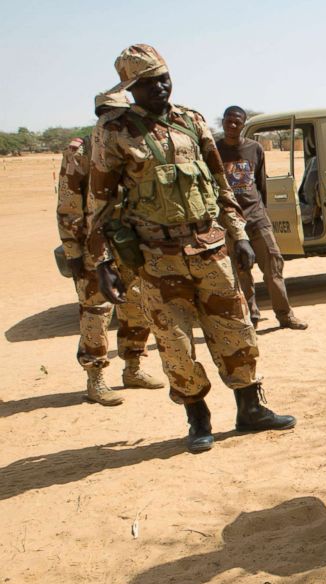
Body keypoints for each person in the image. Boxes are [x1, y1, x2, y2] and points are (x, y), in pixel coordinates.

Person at [87, 44, 295, 453]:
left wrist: (237, 236)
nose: (160, 88)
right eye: (149, 84)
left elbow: (222, 185)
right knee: (175, 343)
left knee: (236, 330)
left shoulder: (191, 121)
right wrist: (103, 262)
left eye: (164, 78)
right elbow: (100, 201)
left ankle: (250, 409)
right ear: (131, 89)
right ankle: (198, 419)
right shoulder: (114, 131)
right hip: (155, 259)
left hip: (210, 249)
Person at [56, 91, 163, 406]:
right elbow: (68, 205)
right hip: (95, 244)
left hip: (131, 240)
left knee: (137, 303)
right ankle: (96, 378)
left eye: (119, 114)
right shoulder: (81, 150)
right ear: (99, 114)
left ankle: (133, 368)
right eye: (108, 114)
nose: (113, 120)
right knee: (96, 311)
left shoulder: (132, 144)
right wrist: (73, 252)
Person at [217, 105, 307, 330]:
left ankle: (285, 316)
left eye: (237, 122)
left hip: (257, 219)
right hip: (230, 222)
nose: (232, 125)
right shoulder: (213, 151)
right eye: (229, 121)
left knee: (273, 268)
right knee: (241, 271)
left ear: (243, 124)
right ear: (223, 122)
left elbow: (261, 184)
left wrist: (261, 213)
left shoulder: (255, 149)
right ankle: (251, 318)